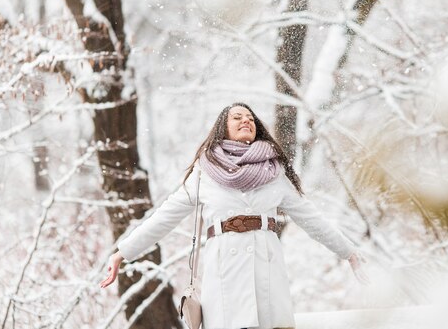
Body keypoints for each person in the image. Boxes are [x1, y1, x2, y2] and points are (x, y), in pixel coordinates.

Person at [100, 102, 368, 329]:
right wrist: (122, 252)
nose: (246, 121)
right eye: (237, 117)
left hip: (267, 269)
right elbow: (165, 217)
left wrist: (349, 252)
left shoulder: (275, 173)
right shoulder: (204, 172)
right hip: (224, 274)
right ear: (222, 128)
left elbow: (311, 218)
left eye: (250, 118)